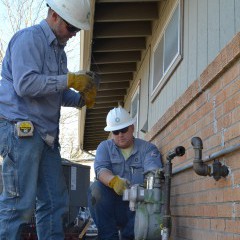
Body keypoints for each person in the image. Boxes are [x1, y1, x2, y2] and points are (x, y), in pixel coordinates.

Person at [0, 0, 97, 239]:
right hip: (20, 129)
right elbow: (25, 84)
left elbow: (59, 93)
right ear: (54, 15)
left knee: (55, 202)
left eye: (77, 30)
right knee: (18, 206)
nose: (74, 34)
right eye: (71, 28)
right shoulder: (29, 39)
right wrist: (69, 80)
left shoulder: (59, 53)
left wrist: (82, 99)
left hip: (46, 137)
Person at [88, 106, 163, 240]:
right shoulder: (104, 147)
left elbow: (154, 174)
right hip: (112, 206)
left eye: (123, 129)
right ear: (111, 133)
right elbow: (101, 170)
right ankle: (108, 237)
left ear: (132, 127)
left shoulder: (147, 149)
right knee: (96, 189)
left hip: (139, 207)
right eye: (116, 132)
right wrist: (114, 181)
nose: (120, 134)